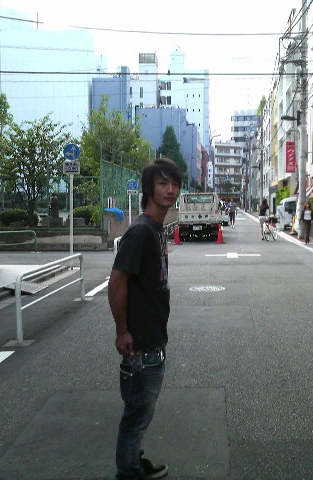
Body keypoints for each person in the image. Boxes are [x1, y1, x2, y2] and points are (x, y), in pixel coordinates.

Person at [108, 157, 182, 480]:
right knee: (137, 414)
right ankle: (129, 472)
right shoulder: (140, 231)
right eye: (163, 183)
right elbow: (117, 281)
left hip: (151, 337)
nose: (170, 189)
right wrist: (122, 330)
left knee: (139, 411)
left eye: (174, 183)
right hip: (140, 342)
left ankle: (133, 462)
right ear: (149, 189)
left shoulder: (155, 229)